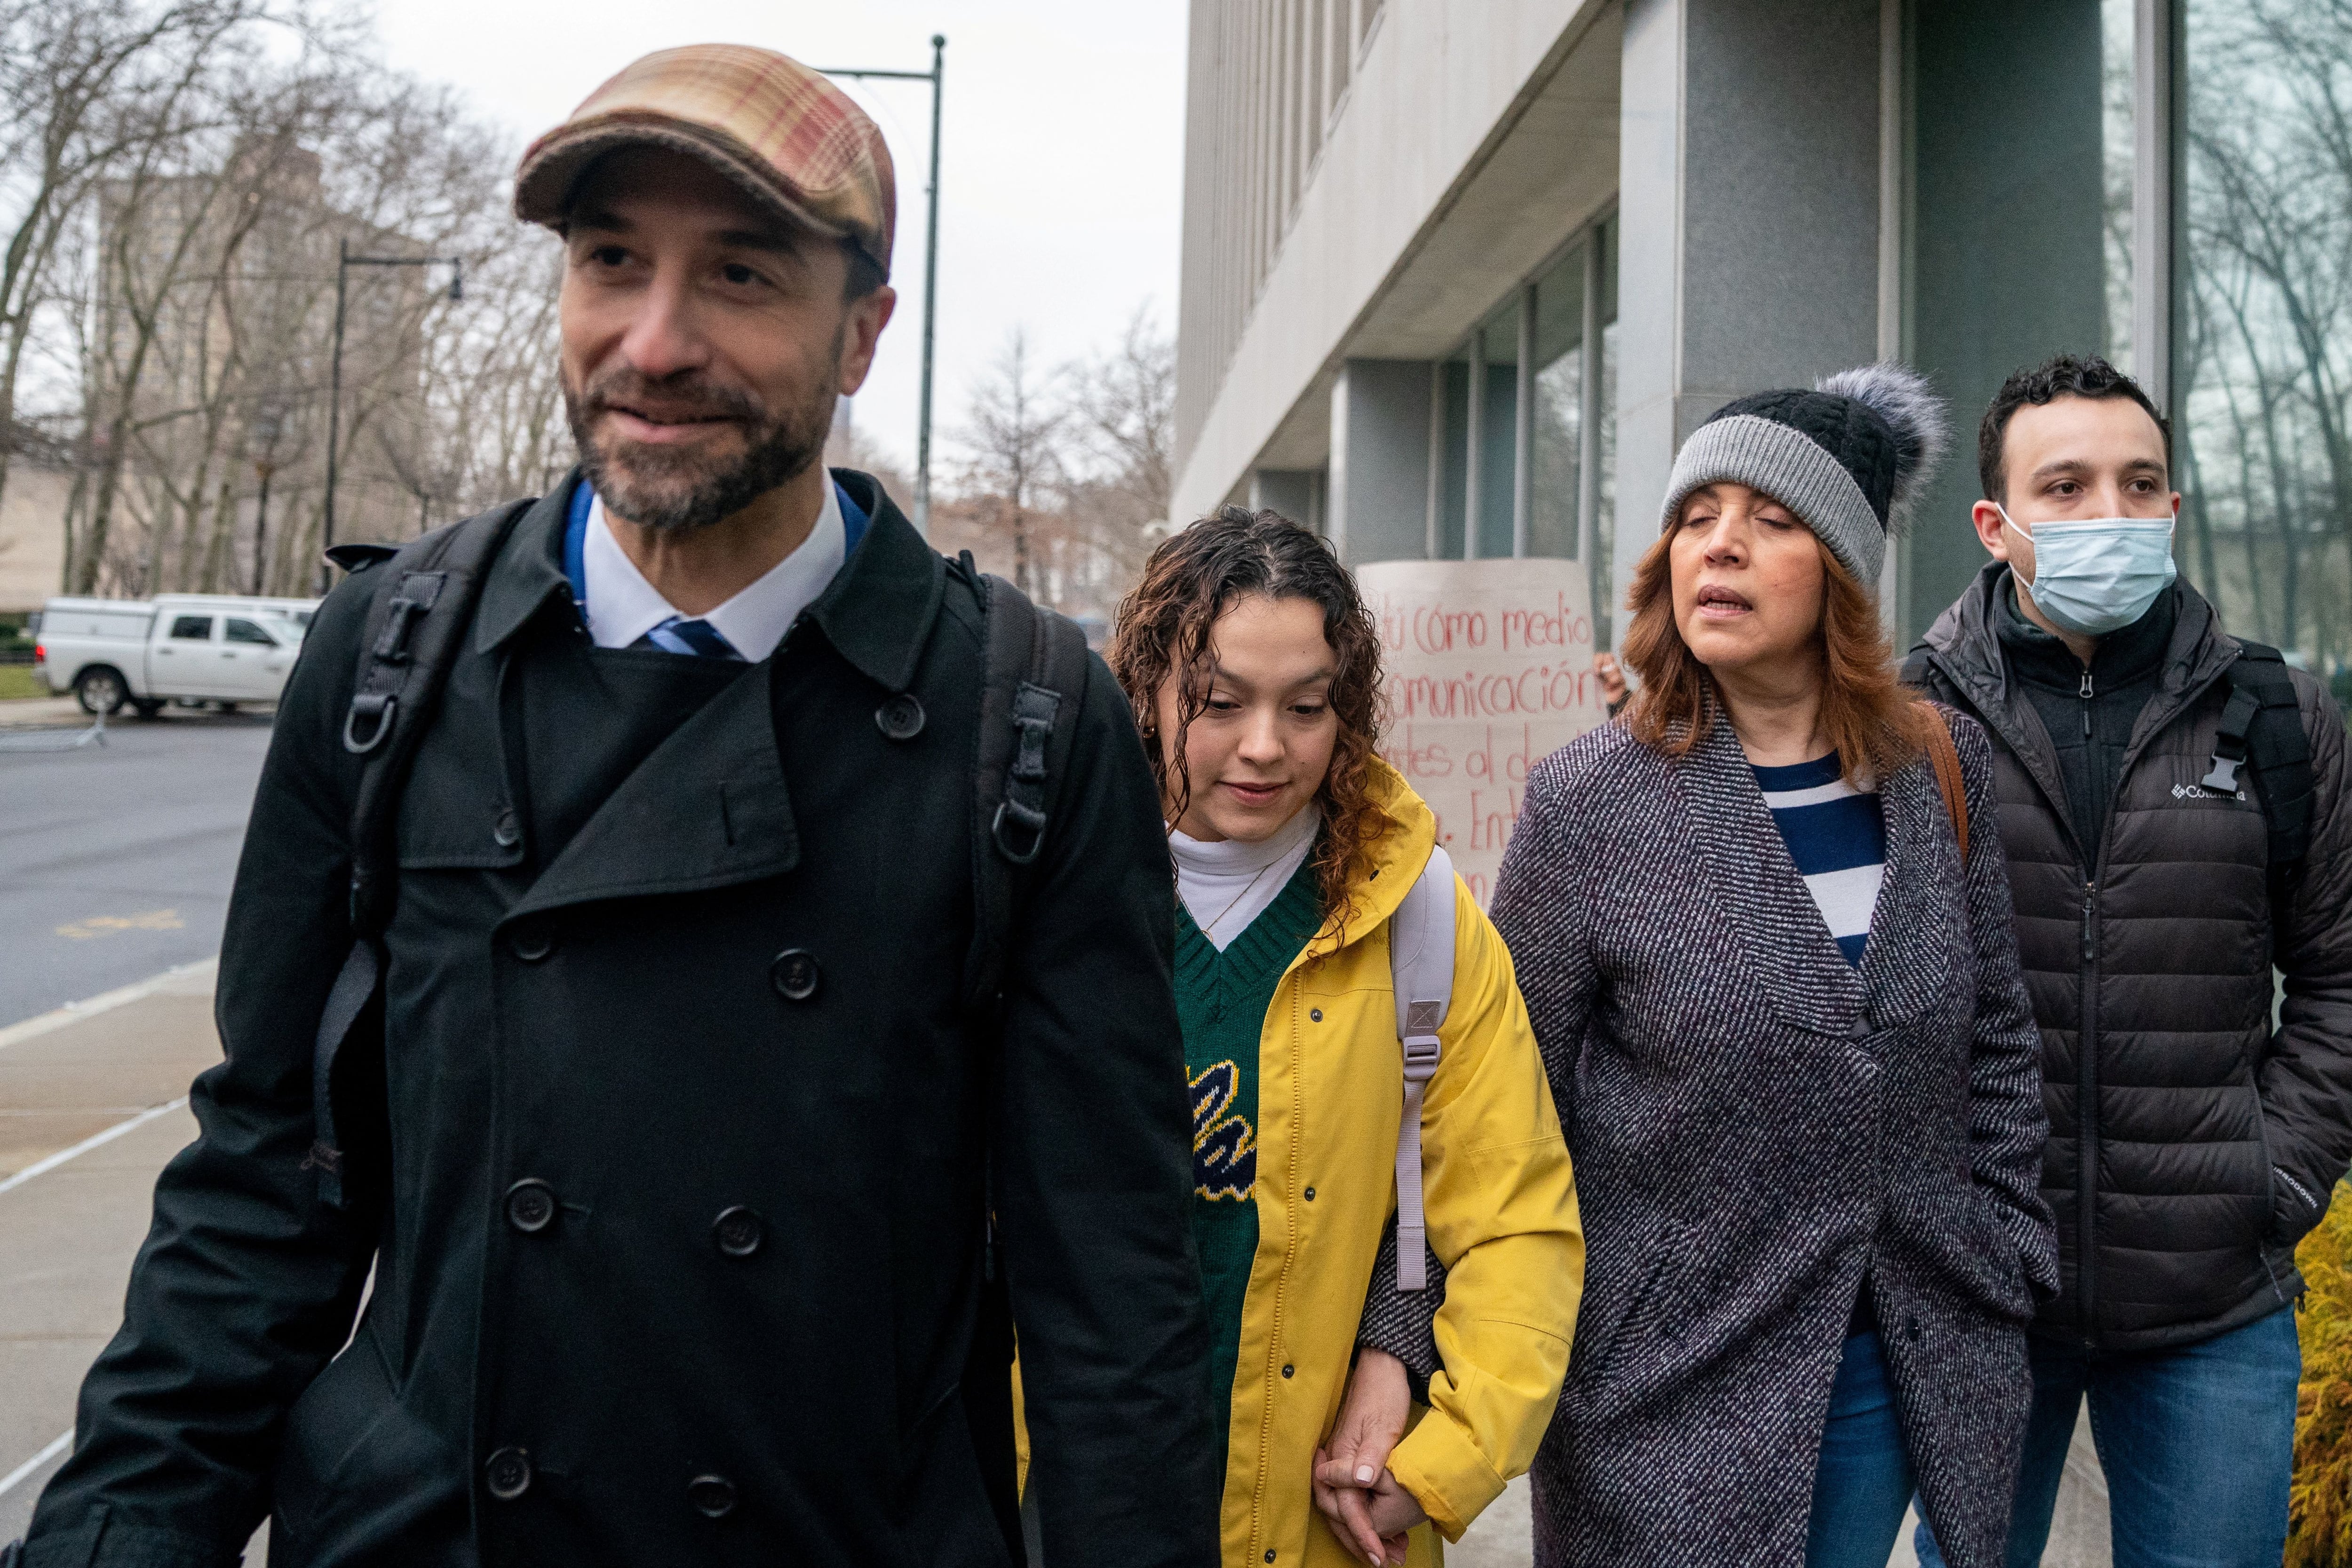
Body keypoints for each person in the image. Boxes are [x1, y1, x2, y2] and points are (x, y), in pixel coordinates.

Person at [9, 46, 1221, 1568]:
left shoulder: (1028, 718)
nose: (655, 340)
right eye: (610, 262)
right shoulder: (390, 657)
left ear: (862, 335)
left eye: (739, 274)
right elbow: (267, 1181)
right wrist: (116, 1533)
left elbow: (1113, 1282)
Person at [1351, 366, 2059, 1568]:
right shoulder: (1593, 800)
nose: (1719, 545)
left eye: (1770, 521)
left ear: (1839, 570)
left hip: (1908, 1358)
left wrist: (2005, 1251)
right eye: (1696, 515)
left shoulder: (1937, 767)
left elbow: (1995, 1036)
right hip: (1667, 1384)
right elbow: (1489, 1112)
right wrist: (1403, 1343)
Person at [1907, 354, 2352, 1568]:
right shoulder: (1909, 722)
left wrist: (2276, 1174)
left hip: (2214, 1302)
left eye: (2139, 480)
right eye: (2067, 484)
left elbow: (2341, 974)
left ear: (2171, 508)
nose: (2111, 509)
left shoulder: (2276, 716)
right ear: (1998, 525)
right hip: (1989, 1298)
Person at [1102, 508, 1583, 1568]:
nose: (1265, 744)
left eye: (1306, 705)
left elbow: (1514, 1226)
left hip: (1324, 1526)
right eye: (1220, 702)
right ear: (1147, 687)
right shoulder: (1055, 895)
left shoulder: (1420, 916)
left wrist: (1443, 1454)